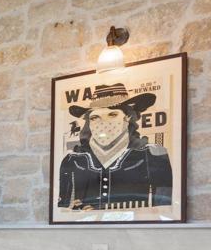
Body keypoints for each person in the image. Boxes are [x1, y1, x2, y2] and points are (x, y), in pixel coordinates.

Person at [57, 83, 170, 211]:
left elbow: (165, 207)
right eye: (95, 117)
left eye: (112, 115)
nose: (103, 123)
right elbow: (63, 210)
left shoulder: (152, 154)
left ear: (128, 117)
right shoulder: (73, 160)